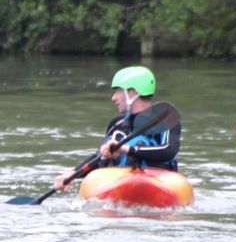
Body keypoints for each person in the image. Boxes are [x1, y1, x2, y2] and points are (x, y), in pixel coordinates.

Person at [51, 65, 180, 192]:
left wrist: (126, 149)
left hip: (157, 181)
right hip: (120, 183)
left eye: (118, 91)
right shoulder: (116, 125)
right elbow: (100, 159)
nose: (113, 98)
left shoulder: (165, 120)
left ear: (132, 93)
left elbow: (169, 151)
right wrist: (73, 174)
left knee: (140, 141)